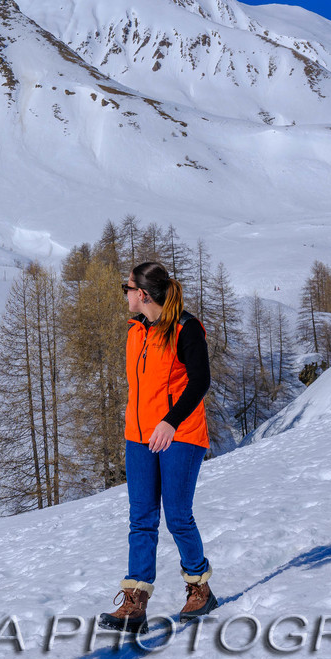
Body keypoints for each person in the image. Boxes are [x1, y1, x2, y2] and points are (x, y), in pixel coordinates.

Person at [100, 260, 216, 632]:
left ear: (143, 294)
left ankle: (200, 588)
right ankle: (135, 602)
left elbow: (200, 381)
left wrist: (171, 421)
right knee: (142, 519)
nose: (125, 294)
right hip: (139, 436)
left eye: (127, 288)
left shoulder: (185, 328)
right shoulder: (137, 330)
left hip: (179, 434)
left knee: (178, 515)